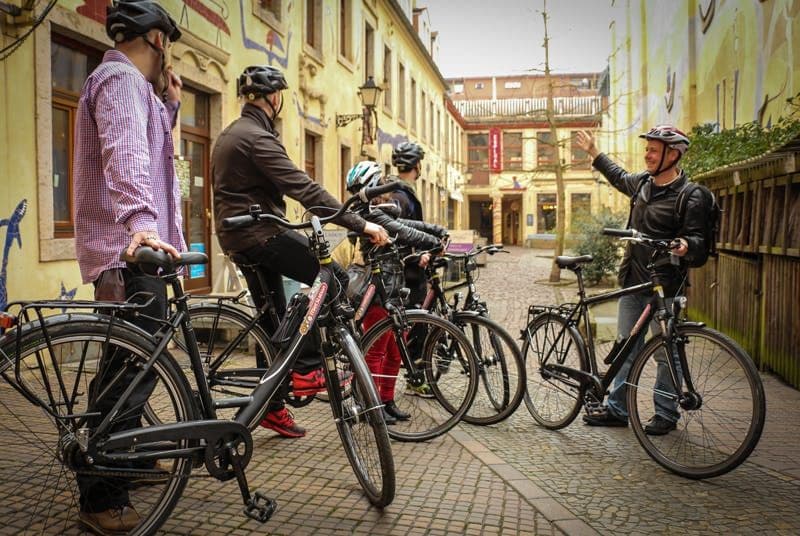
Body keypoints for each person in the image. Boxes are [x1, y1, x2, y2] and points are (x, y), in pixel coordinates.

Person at [211, 65, 389, 438]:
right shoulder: (257, 137)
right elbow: (302, 188)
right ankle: (308, 368)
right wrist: (360, 224)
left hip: (238, 236)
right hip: (261, 234)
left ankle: (272, 407)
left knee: (272, 321)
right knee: (334, 279)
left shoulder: (233, 133)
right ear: (274, 98)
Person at [72, 0, 184, 532]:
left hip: (134, 253)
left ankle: (130, 457)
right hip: (129, 254)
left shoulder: (135, 89)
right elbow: (125, 156)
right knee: (129, 371)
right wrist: (142, 226)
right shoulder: (119, 82)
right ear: (159, 40)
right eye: (171, 46)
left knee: (132, 364)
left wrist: (171, 106)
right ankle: (100, 494)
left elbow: (148, 149)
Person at [575, 126, 709, 435]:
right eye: (647, 149)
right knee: (626, 348)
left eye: (653, 150)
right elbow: (619, 176)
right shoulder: (643, 185)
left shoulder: (691, 196)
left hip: (667, 286)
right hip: (634, 281)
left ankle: (665, 414)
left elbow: (699, 240)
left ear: (672, 154)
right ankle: (617, 409)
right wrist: (595, 153)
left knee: (667, 352)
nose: (647, 155)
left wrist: (686, 245)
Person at [344, 161, 447, 424]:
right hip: (379, 292)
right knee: (377, 351)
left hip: (393, 291)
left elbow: (407, 223)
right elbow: (405, 231)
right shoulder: (368, 214)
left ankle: (387, 401)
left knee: (394, 352)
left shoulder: (378, 210)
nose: (385, 187)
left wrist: (437, 231)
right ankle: (372, 405)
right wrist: (434, 242)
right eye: (380, 182)